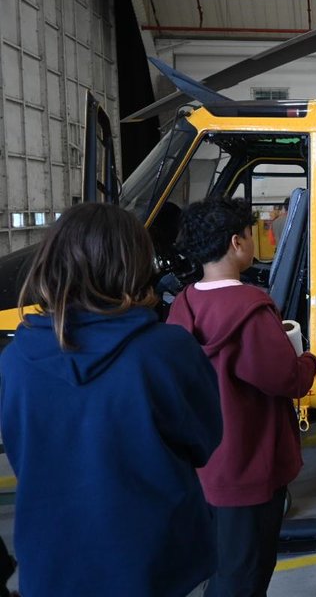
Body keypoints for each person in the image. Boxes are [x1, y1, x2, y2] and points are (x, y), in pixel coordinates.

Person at [0, 203, 222, 597]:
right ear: (135, 263)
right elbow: (203, 442)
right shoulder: (165, 350)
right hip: (153, 561)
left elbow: (22, 452)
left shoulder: (17, 358)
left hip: (51, 563)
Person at [170, 196, 316, 597]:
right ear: (237, 243)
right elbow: (287, 379)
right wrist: (308, 359)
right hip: (249, 468)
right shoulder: (251, 311)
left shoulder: (182, 307)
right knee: (246, 576)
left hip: (202, 470)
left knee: (220, 569)